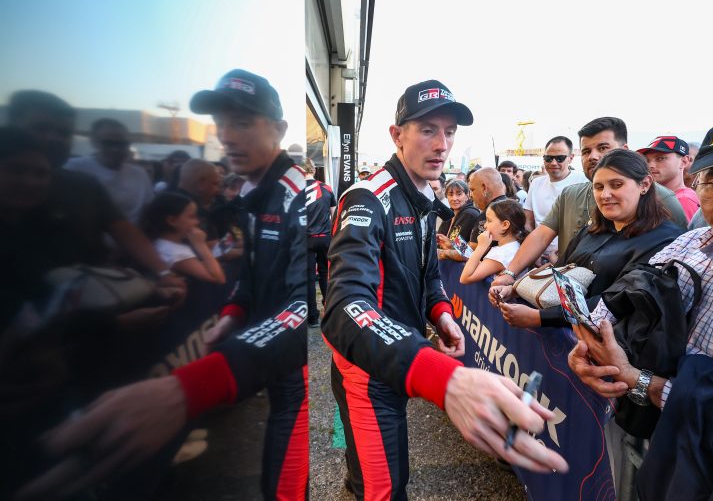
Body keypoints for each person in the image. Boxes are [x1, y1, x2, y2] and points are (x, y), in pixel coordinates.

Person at [15, 70, 309, 501]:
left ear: (279, 130)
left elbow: (304, 306)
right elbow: (252, 274)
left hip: (291, 365)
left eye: (243, 122)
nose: (226, 135)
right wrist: (232, 315)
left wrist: (191, 387)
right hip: (265, 358)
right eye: (221, 122)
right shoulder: (252, 192)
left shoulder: (303, 197)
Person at [322, 79, 567, 500]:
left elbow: (429, 273)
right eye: (427, 130)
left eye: (449, 132)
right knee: (386, 488)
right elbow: (344, 306)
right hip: (366, 371)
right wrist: (444, 379)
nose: (442, 144)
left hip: (398, 356)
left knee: (375, 472)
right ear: (397, 136)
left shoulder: (422, 194)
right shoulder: (367, 198)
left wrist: (441, 314)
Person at [568, 109, 713, 497]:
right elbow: (625, 295)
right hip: (649, 437)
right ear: (699, 184)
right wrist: (589, 345)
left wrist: (639, 381)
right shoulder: (690, 243)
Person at [493, 150, 683, 329]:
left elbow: (619, 302)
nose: (605, 195)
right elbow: (559, 272)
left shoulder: (666, 241)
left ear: (645, 184)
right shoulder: (592, 230)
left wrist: (540, 318)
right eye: (598, 187)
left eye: (617, 185)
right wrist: (515, 288)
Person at [492, 117, 689, 289]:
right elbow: (542, 235)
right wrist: (510, 274)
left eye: (603, 148)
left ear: (624, 150)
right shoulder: (570, 193)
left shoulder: (664, 200)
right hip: (565, 300)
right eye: (586, 151)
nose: (593, 156)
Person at [6, 90, 174, 280]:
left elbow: (122, 228)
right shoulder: (78, 168)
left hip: (87, 286)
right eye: (40, 128)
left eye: (64, 133)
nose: (54, 138)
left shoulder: (82, 184)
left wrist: (164, 272)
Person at [66, 118, 154, 225]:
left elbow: (146, 210)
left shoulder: (139, 174)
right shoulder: (73, 168)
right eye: (108, 143)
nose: (115, 149)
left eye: (121, 143)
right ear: (94, 142)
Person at [523, 136, 588, 260]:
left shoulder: (584, 181)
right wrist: (534, 253)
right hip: (540, 256)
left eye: (560, 158)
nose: (553, 163)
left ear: (570, 158)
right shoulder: (536, 183)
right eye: (548, 158)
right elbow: (528, 221)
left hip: (573, 257)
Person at [141, 192, 226, 284]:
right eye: (191, 217)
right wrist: (201, 245)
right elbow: (218, 278)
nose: (197, 222)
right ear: (172, 220)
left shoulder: (170, 245)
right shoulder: (171, 251)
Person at [303, 157, 336, 328]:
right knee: (326, 274)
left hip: (305, 239)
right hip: (325, 238)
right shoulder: (326, 188)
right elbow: (334, 215)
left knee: (308, 278)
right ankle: (330, 312)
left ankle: (312, 317)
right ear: (314, 170)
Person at [460, 199, 526, 284]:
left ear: (505, 225)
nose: (485, 225)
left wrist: (481, 247)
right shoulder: (512, 246)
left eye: (489, 220)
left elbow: (465, 278)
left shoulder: (501, 254)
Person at [638, 135, 700, 222]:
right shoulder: (653, 197)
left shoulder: (683, 200)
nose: (650, 165)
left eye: (660, 158)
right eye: (647, 160)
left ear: (684, 161)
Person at [176, 158, 223, 241]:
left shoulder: (162, 202)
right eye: (215, 184)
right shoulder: (195, 210)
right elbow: (213, 247)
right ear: (201, 184)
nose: (218, 190)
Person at [436, 179, 480, 261]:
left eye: (459, 194)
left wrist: (447, 247)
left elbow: (466, 251)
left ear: (467, 195)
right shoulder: (450, 212)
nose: (454, 198)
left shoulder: (469, 214)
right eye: (450, 194)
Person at [467, 167, 508, 249]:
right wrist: (452, 244)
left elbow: (473, 249)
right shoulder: (510, 206)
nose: (470, 195)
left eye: (472, 190)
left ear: (484, 188)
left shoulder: (490, 211)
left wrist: (446, 252)